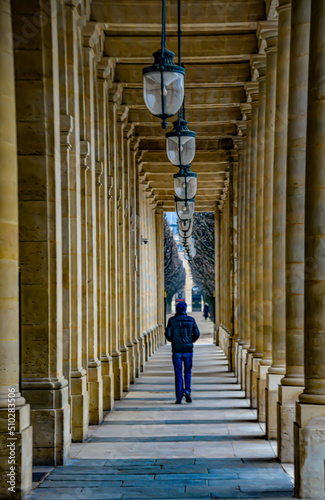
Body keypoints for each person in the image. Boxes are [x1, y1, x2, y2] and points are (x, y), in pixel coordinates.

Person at [165, 302, 200, 404]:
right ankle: (188, 390)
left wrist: (174, 341)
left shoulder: (172, 320)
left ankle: (179, 397)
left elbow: (168, 335)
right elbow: (197, 334)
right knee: (188, 371)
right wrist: (190, 341)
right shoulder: (191, 320)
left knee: (178, 373)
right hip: (188, 350)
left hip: (176, 350)